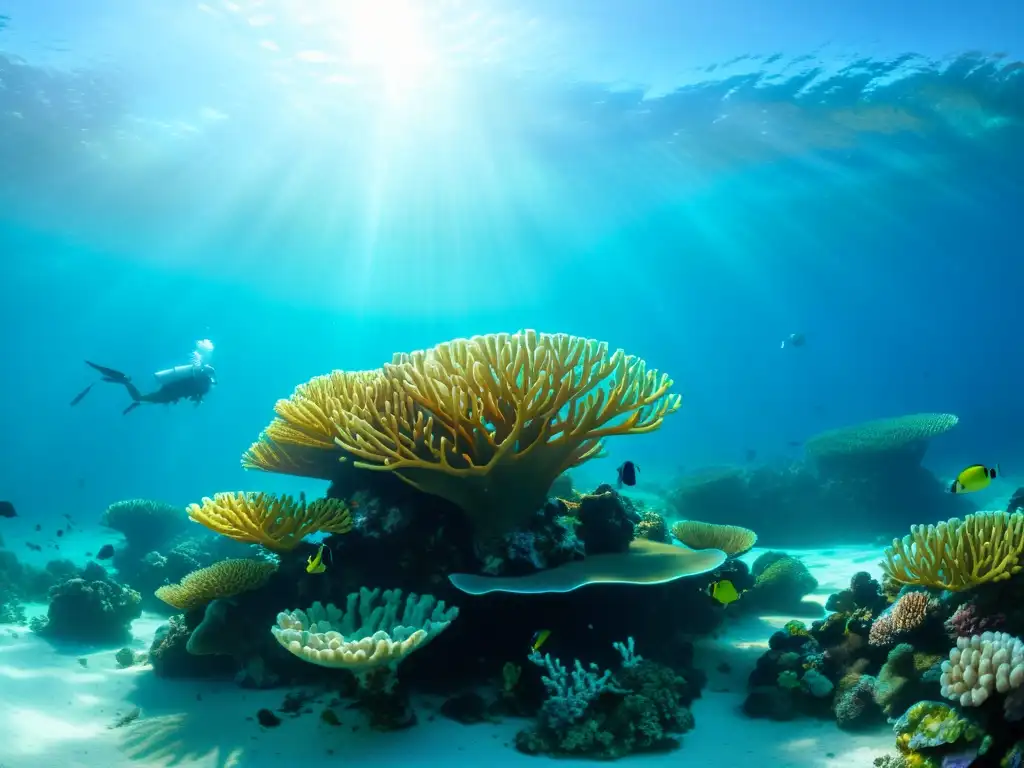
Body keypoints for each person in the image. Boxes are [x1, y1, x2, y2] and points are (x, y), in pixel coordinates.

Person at [71, 340, 217, 415]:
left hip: (169, 390)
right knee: (139, 398)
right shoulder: (203, 386)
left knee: (142, 400)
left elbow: (190, 392)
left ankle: (127, 388)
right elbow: (193, 397)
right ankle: (125, 382)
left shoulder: (199, 379)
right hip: (169, 393)